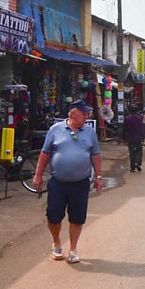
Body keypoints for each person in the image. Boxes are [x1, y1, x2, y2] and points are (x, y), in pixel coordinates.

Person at [32, 99, 104, 264]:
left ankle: (73, 249)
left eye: (87, 114)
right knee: (53, 217)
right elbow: (45, 154)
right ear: (73, 114)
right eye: (83, 114)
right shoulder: (55, 130)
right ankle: (57, 241)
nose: (86, 117)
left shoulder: (90, 133)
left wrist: (99, 177)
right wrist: (38, 175)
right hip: (58, 183)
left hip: (81, 183)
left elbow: (95, 155)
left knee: (77, 218)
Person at [123, 105, 145, 172]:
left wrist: (124, 138)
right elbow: (142, 128)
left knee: (132, 152)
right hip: (138, 137)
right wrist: (143, 136)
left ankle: (132, 167)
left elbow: (125, 129)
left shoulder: (127, 118)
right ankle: (137, 162)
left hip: (130, 138)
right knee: (139, 151)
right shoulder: (139, 118)